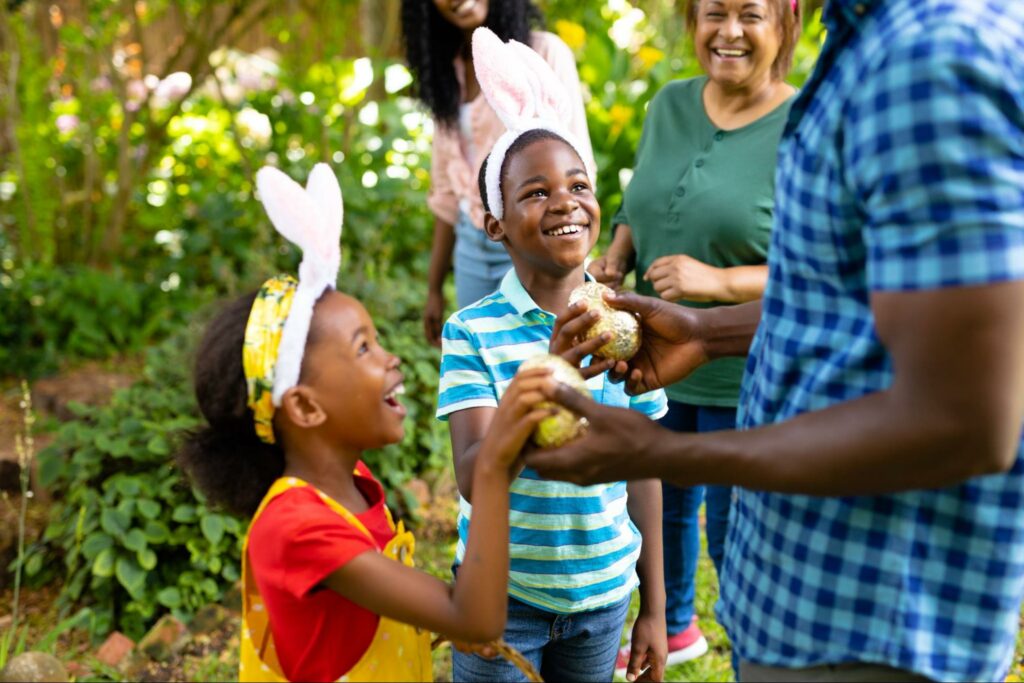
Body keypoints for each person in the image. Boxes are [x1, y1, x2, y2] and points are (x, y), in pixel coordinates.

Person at [525, 0, 1024, 681]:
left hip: (871, 621)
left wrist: (668, 452)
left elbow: (962, 421)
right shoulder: (863, 43)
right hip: (796, 597)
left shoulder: (931, 58)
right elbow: (849, 297)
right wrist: (707, 332)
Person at [177, 162, 561, 683]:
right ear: (306, 407)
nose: (391, 358)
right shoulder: (295, 528)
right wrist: (493, 463)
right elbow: (477, 618)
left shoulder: (351, 488)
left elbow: (406, 613)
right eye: (363, 347)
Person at [435, 28, 667, 683]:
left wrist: (655, 604)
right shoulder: (472, 332)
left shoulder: (625, 320)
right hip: (500, 600)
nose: (564, 200)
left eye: (577, 184)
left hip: (603, 595)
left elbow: (645, 461)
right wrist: (554, 368)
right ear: (496, 223)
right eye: (535, 192)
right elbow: (474, 473)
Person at [588, 0, 800, 669]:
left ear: (786, 24)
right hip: (656, 349)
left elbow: (822, 265)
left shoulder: (803, 124)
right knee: (661, 496)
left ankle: (758, 647)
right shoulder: (670, 104)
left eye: (750, 15)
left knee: (735, 520)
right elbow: (638, 199)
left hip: (745, 358)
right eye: (714, 12)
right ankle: (673, 624)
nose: (729, 31)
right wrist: (615, 254)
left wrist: (718, 282)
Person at [400, 0, 592, 346]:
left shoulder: (543, 53)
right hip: (472, 247)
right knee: (486, 358)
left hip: (535, 242)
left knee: (547, 359)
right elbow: (447, 191)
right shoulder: (448, 72)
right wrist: (434, 288)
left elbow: (577, 166)